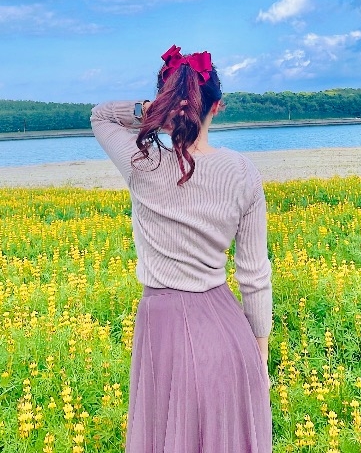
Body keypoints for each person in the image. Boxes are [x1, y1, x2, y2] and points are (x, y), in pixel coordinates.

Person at [90, 44, 272, 453]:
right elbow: (254, 276)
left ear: (167, 103)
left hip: (164, 330)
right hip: (230, 334)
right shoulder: (243, 172)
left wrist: (150, 109)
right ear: (217, 107)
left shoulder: (143, 163)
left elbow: (100, 115)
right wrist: (260, 356)